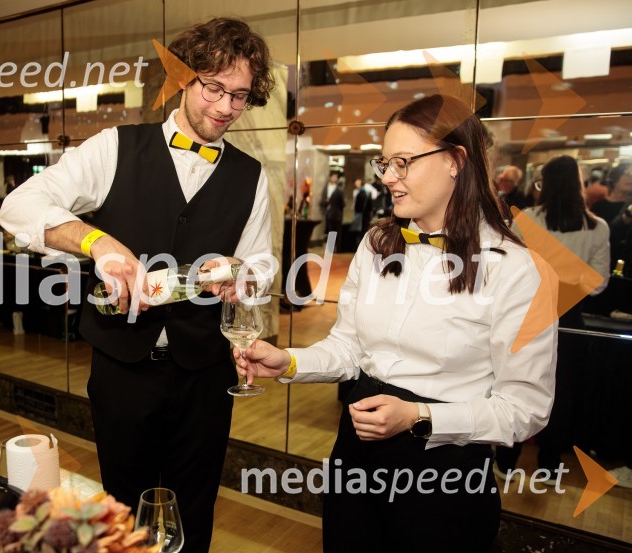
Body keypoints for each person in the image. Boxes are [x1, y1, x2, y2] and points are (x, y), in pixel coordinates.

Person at [233, 94, 557, 552]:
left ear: (455, 161)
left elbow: (525, 408)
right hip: (357, 448)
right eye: (385, 162)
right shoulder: (377, 243)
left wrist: (420, 417)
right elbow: (349, 347)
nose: (388, 177)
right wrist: (286, 361)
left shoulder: (517, 269)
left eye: (403, 162)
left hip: (445, 469)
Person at [0, 17, 275, 553]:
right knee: (124, 506)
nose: (224, 107)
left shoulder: (251, 175)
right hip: (123, 368)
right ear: (180, 79)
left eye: (239, 96)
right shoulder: (113, 148)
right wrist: (95, 242)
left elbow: (262, 268)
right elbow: (19, 206)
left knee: (194, 506)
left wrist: (241, 273)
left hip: (205, 374)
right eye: (213, 87)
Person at [494, 155, 609, 481]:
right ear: (578, 184)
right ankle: (547, 463)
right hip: (570, 317)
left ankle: (506, 459)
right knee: (561, 393)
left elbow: (506, 267)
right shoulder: (595, 227)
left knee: (514, 384)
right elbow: (599, 283)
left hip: (528, 312)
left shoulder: (529, 218)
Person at [321, 169, 345, 250]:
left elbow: (343, 203)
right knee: (330, 231)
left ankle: (338, 248)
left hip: (337, 213)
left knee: (338, 231)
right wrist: (326, 201)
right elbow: (322, 200)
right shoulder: (326, 188)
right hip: (329, 212)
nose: (335, 178)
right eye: (333, 177)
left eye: (336, 177)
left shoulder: (339, 189)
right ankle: (330, 247)